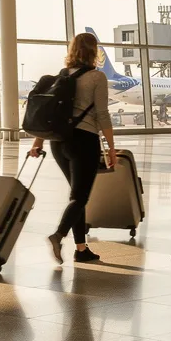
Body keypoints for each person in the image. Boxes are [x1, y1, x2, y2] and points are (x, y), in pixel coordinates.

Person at [29, 32, 116, 265]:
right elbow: (102, 114)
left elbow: (48, 113)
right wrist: (111, 148)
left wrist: (38, 142)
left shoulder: (61, 76)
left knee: (77, 197)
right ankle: (58, 235)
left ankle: (81, 249)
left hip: (58, 142)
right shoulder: (97, 77)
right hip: (84, 141)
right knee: (80, 197)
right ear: (93, 51)